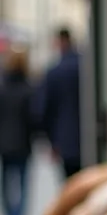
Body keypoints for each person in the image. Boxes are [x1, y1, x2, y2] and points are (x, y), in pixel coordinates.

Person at [0, 50, 34, 215]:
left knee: (6, 191)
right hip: (23, 146)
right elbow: (35, 118)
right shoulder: (28, 90)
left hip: (4, 147)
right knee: (22, 190)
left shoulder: (2, 89)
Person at [39, 28, 81, 178]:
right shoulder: (84, 67)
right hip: (88, 134)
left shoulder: (55, 71)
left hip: (65, 138)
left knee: (70, 183)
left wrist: (51, 140)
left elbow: (45, 109)